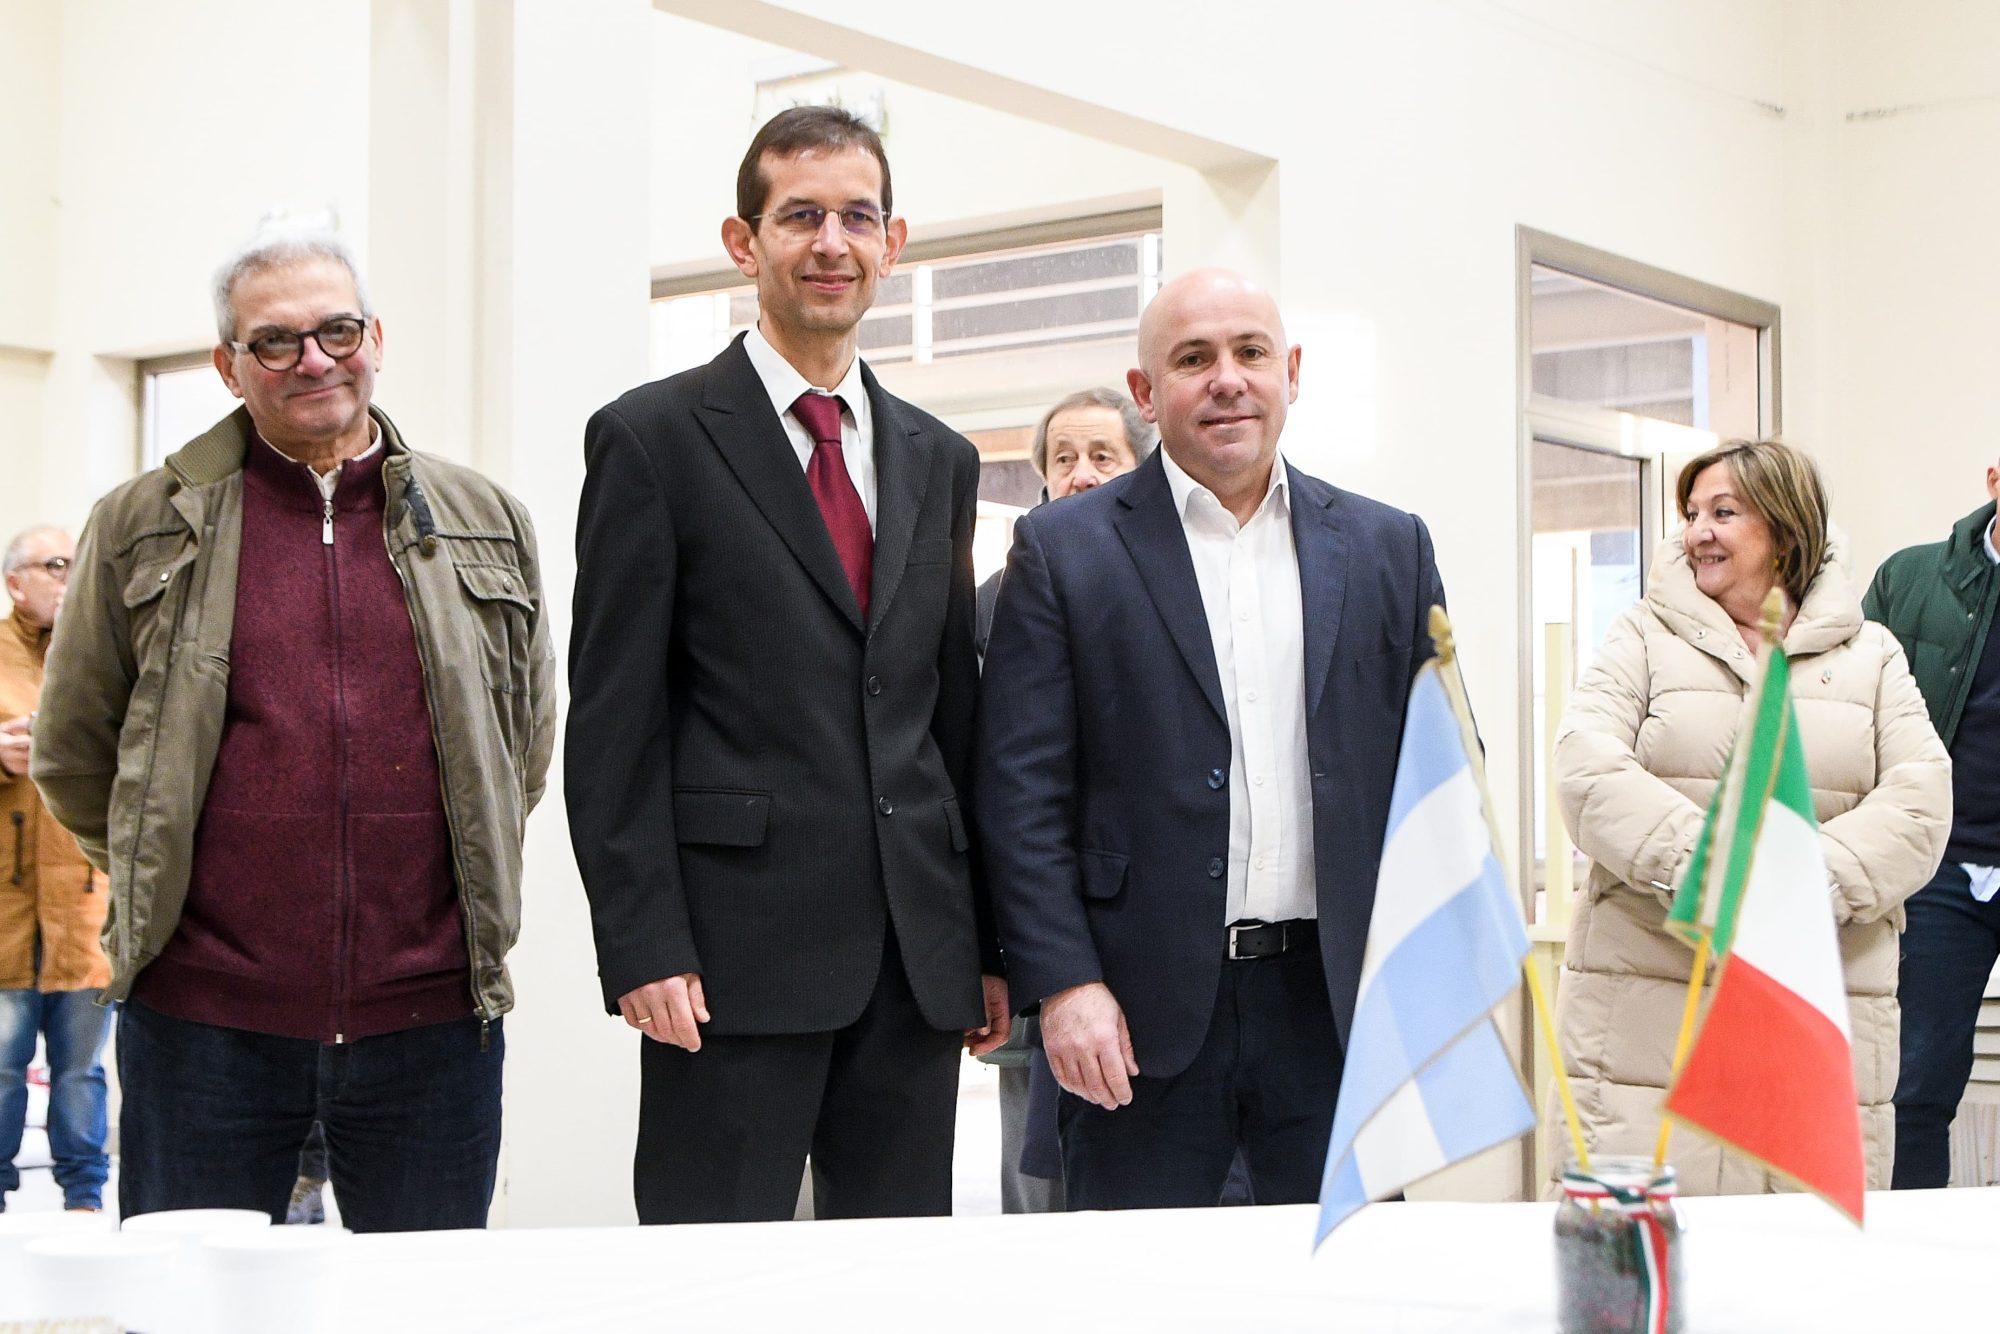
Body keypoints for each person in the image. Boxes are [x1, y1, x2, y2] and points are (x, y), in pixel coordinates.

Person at [31, 221, 555, 1231]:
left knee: (424, 1302)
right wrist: (163, 869)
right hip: (203, 1025)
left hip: (432, 1026)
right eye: (274, 341)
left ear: (375, 339)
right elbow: (75, 752)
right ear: (229, 366)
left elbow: (520, 748)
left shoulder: (483, 517)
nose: (314, 359)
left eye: (336, 330)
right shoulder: (143, 521)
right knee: (193, 1297)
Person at [567, 106, 1007, 1226]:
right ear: (743, 240)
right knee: (711, 1276)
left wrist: (987, 942)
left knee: (892, 1279)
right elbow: (615, 723)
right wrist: (642, 942)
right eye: (800, 216)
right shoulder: (652, 439)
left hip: (913, 964)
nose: (830, 243)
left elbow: (951, 715)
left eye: (857, 217)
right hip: (727, 965)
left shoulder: (941, 458)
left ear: (891, 244)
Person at [977, 268, 1447, 1210]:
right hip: (1133, 1015)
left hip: (1334, 1010)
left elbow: (1434, 777)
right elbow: (1018, 792)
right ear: (1147, 392)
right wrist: (1065, 984)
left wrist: (1429, 982)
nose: (1227, 379)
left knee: (1342, 1278)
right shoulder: (1065, 550)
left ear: (1291, 372)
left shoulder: (1389, 547)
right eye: (1193, 359)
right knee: (1144, 1282)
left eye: (1250, 352)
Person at [1553, 438, 1948, 1193]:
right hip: (1646, 1011)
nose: (1697, 531)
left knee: (1796, 1249)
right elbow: (1586, 767)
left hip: (1812, 1000)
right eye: (1692, 512)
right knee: (1642, 1246)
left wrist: (1799, 882)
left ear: (1786, 529)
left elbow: (1922, 800)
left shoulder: (1871, 655)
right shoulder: (1641, 635)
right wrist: (1714, 869)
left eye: (1724, 512)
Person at [973, 388, 1152, 1215]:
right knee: (1037, 1166)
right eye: (1063, 459)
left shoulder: (1172, 584)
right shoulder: (996, 597)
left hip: (1149, 924)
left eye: (1102, 456)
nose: (1080, 475)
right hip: (1035, 932)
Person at [1866, 456, 2000, 1189]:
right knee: (1914, 1083)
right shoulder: (1912, 579)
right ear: (1994, 481)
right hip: (1938, 866)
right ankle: (1908, 1244)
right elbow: (1849, 708)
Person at [1, 527, 113, 1214]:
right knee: (1, 1068)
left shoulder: (100, 657)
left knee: (81, 1071)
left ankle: (85, 1198)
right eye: (55, 565)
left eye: (77, 565)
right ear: (15, 582)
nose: (70, 578)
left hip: (83, 904)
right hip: (6, 910)